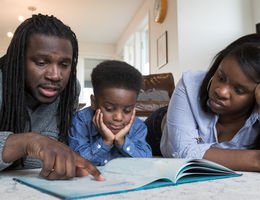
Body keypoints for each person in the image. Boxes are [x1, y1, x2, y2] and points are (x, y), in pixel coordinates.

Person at [0, 14, 104, 181]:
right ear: (18, 60)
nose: (55, 76)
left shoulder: (70, 90)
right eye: (41, 62)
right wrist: (28, 142)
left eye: (64, 65)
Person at [158, 33, 260, 171]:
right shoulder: (190, 84)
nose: (221, 91)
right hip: (158, 129)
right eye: (221, 77)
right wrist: (255, 160)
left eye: (239, 90)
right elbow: (183, 153)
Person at [69, 60, 152, 166]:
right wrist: (105, 141)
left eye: (127, 110)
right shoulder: (80, 121)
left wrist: (122, 141)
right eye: (109, 108)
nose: (118, 117)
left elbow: (146, 161)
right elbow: (77, 161)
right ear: (94, 102)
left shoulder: (138, 127)